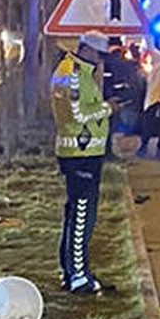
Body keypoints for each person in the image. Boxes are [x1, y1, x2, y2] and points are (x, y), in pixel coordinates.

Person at [51, 32, 114, 293]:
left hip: (84, 152)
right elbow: (77, 114)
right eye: (99, 55)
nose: (101, 60)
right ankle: (77, 277)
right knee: (81, 216)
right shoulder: (73, 73)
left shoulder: (78, 71)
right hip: (79, 154)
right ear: (87, 50)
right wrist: (108, 108)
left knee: (78, 214)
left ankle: (73, 272)